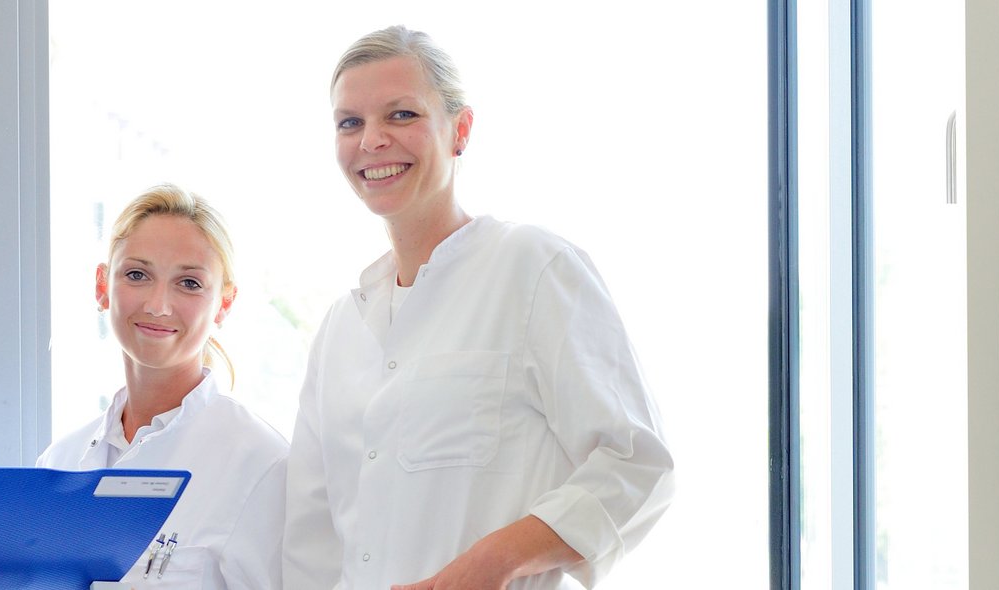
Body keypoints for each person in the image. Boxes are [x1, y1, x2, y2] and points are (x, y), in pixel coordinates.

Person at [282, 26, 675, 590]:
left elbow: (638, 464)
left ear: (459, 131)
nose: (371, 141)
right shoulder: (341, 327)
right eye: (350, 123)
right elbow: (311, 540)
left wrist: (496, 559)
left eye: (401, 115)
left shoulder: (533, 267)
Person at [37, 184, 287, 589]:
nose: (158, 304)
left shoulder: (261, 463)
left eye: (188, 283)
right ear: (102, 286)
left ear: (224, 303)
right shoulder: (58, 463)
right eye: (137, 274)